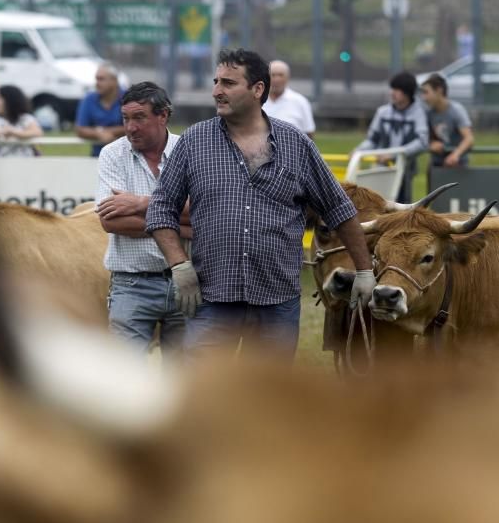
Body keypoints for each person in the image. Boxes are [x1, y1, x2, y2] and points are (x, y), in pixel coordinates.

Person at [145, 48, 375, 362]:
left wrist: (364, 271)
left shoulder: (296, 144)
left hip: (276, 301)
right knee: (203, 394)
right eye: (216, 82)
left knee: (268, 401)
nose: (216, 91)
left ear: (257, 90)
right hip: (212, 298)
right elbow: (161, 208)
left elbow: (339, 209)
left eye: (228, 83)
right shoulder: (193, 142)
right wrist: (180, 265)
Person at [96, 82, 192, 352]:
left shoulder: (191, 150)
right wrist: (182, 226)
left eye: (139, 117)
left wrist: (139, 203)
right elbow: (111, 221)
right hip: (131, 283)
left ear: (163, 115)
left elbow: (205, 213)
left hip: (188, 282)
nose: (130, 127)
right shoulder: (112, 154)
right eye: (125, 118)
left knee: (185, 383)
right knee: (124, 381)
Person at [353, 70, 429, 203]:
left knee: (402, 209)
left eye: (397, 90)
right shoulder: (382, 112)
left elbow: (422, 142)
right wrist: (358, 151)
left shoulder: (419, 113)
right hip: (381, 168)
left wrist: (394, 155)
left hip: (405, 171)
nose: (392, 93)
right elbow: (372, 140)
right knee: (378, 205)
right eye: (392, 89)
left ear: (408, 93)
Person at [420, 73, 474, 168]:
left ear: (439, 91)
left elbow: (469, 139)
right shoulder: (427, 112)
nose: (423, 98)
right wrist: (431, 144)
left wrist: (455, 155)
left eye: (426, 92)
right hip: (436, 164)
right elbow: (422, 138)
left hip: (458, 165)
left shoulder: (456, 110)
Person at [75, 63, 126, 157]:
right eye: (96, 79)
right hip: (97, 157)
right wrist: (99, 133)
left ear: (114, 81)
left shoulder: (128, 98)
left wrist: (107, 132)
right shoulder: (89, 99)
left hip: (127, 156)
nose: (97, 83)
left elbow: (136, 126)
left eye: (101, 79)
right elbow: (80, 130)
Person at [0, 85, 44, 157]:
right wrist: (2, 131)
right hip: (3, 163)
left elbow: (38, 132)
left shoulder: (25, 118)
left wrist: (13, 132)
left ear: (10, 101)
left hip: (24, 163)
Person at [262, 59, 316, 138]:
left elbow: (309, 133)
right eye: (273, 75)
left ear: (287, 77)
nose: (276, 79)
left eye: (280, 75)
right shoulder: (257, 101)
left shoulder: (300, 101)